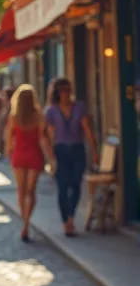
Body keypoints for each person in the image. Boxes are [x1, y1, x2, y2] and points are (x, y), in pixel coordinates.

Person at [45, 77, 99, 238]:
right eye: (62, 91)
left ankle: (71, 217)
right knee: (63, 187)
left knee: (75, 184)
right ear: (57, 93)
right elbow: (49, 135)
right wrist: (50, 158)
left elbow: (87, 130)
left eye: (68, 90)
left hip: (77, 150)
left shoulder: (79, 107)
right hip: (61, 151)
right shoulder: (51, 111)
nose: (66, 94)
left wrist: (94, 151)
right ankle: (65, 222)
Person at [4, 84, 54, 242]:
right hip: (34, 154)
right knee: (31, 191)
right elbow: (42, 138)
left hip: (19, 155)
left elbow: (9, 138)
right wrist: (51, 157)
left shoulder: (14, 117)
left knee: (21, 190)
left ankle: (23, 221)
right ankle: (26, 223)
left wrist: (8, 152)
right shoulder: (38, 116)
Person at [0, 86, 15, 160]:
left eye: (3, 94)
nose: (2, 96)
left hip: (8, 133)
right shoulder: (4, 106)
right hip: (3, 132)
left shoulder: (11, 107)